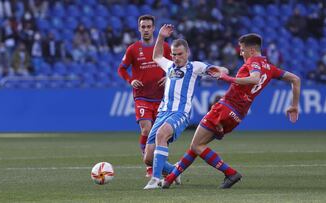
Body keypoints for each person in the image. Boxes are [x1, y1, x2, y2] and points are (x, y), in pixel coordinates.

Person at [162, 33, 301, 189]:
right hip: (238, 116)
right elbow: (295, 79)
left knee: (196, 145)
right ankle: (169, 179)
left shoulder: (254, 61)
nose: (240, 53)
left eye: (242, 50)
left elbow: (255, 78)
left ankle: (230, 173)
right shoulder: (271, 68)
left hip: (225, 108)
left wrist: (227, 78)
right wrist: (294, 105)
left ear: (252, 50)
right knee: (198, 145)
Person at [143, 24, 228, 189]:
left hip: (180, 113)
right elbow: (157, 56)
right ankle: (175, 171)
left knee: (162, 134)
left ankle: (155, 179)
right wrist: (160, 37)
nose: (176, 58)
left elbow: (219, 69)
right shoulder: (169, 66)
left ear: (187, 53)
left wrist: (221, 71)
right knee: (148, 157)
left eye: (179, 54)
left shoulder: (195, 67)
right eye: (174, 54)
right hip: (163, 113)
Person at [117, 15, 172, 177]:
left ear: (154, 28)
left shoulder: (165, 47)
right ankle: (149, 166)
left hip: (162, 98)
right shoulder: (133, 49)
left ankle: (163, 167)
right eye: (143, 27)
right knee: (146, 129)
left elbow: (175, 66)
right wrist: (131, 80)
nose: (146, 29)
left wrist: (169, 76)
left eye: (149, 27)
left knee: (161, 136)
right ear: (139, 28)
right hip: (142, 97)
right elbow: (121, 69)